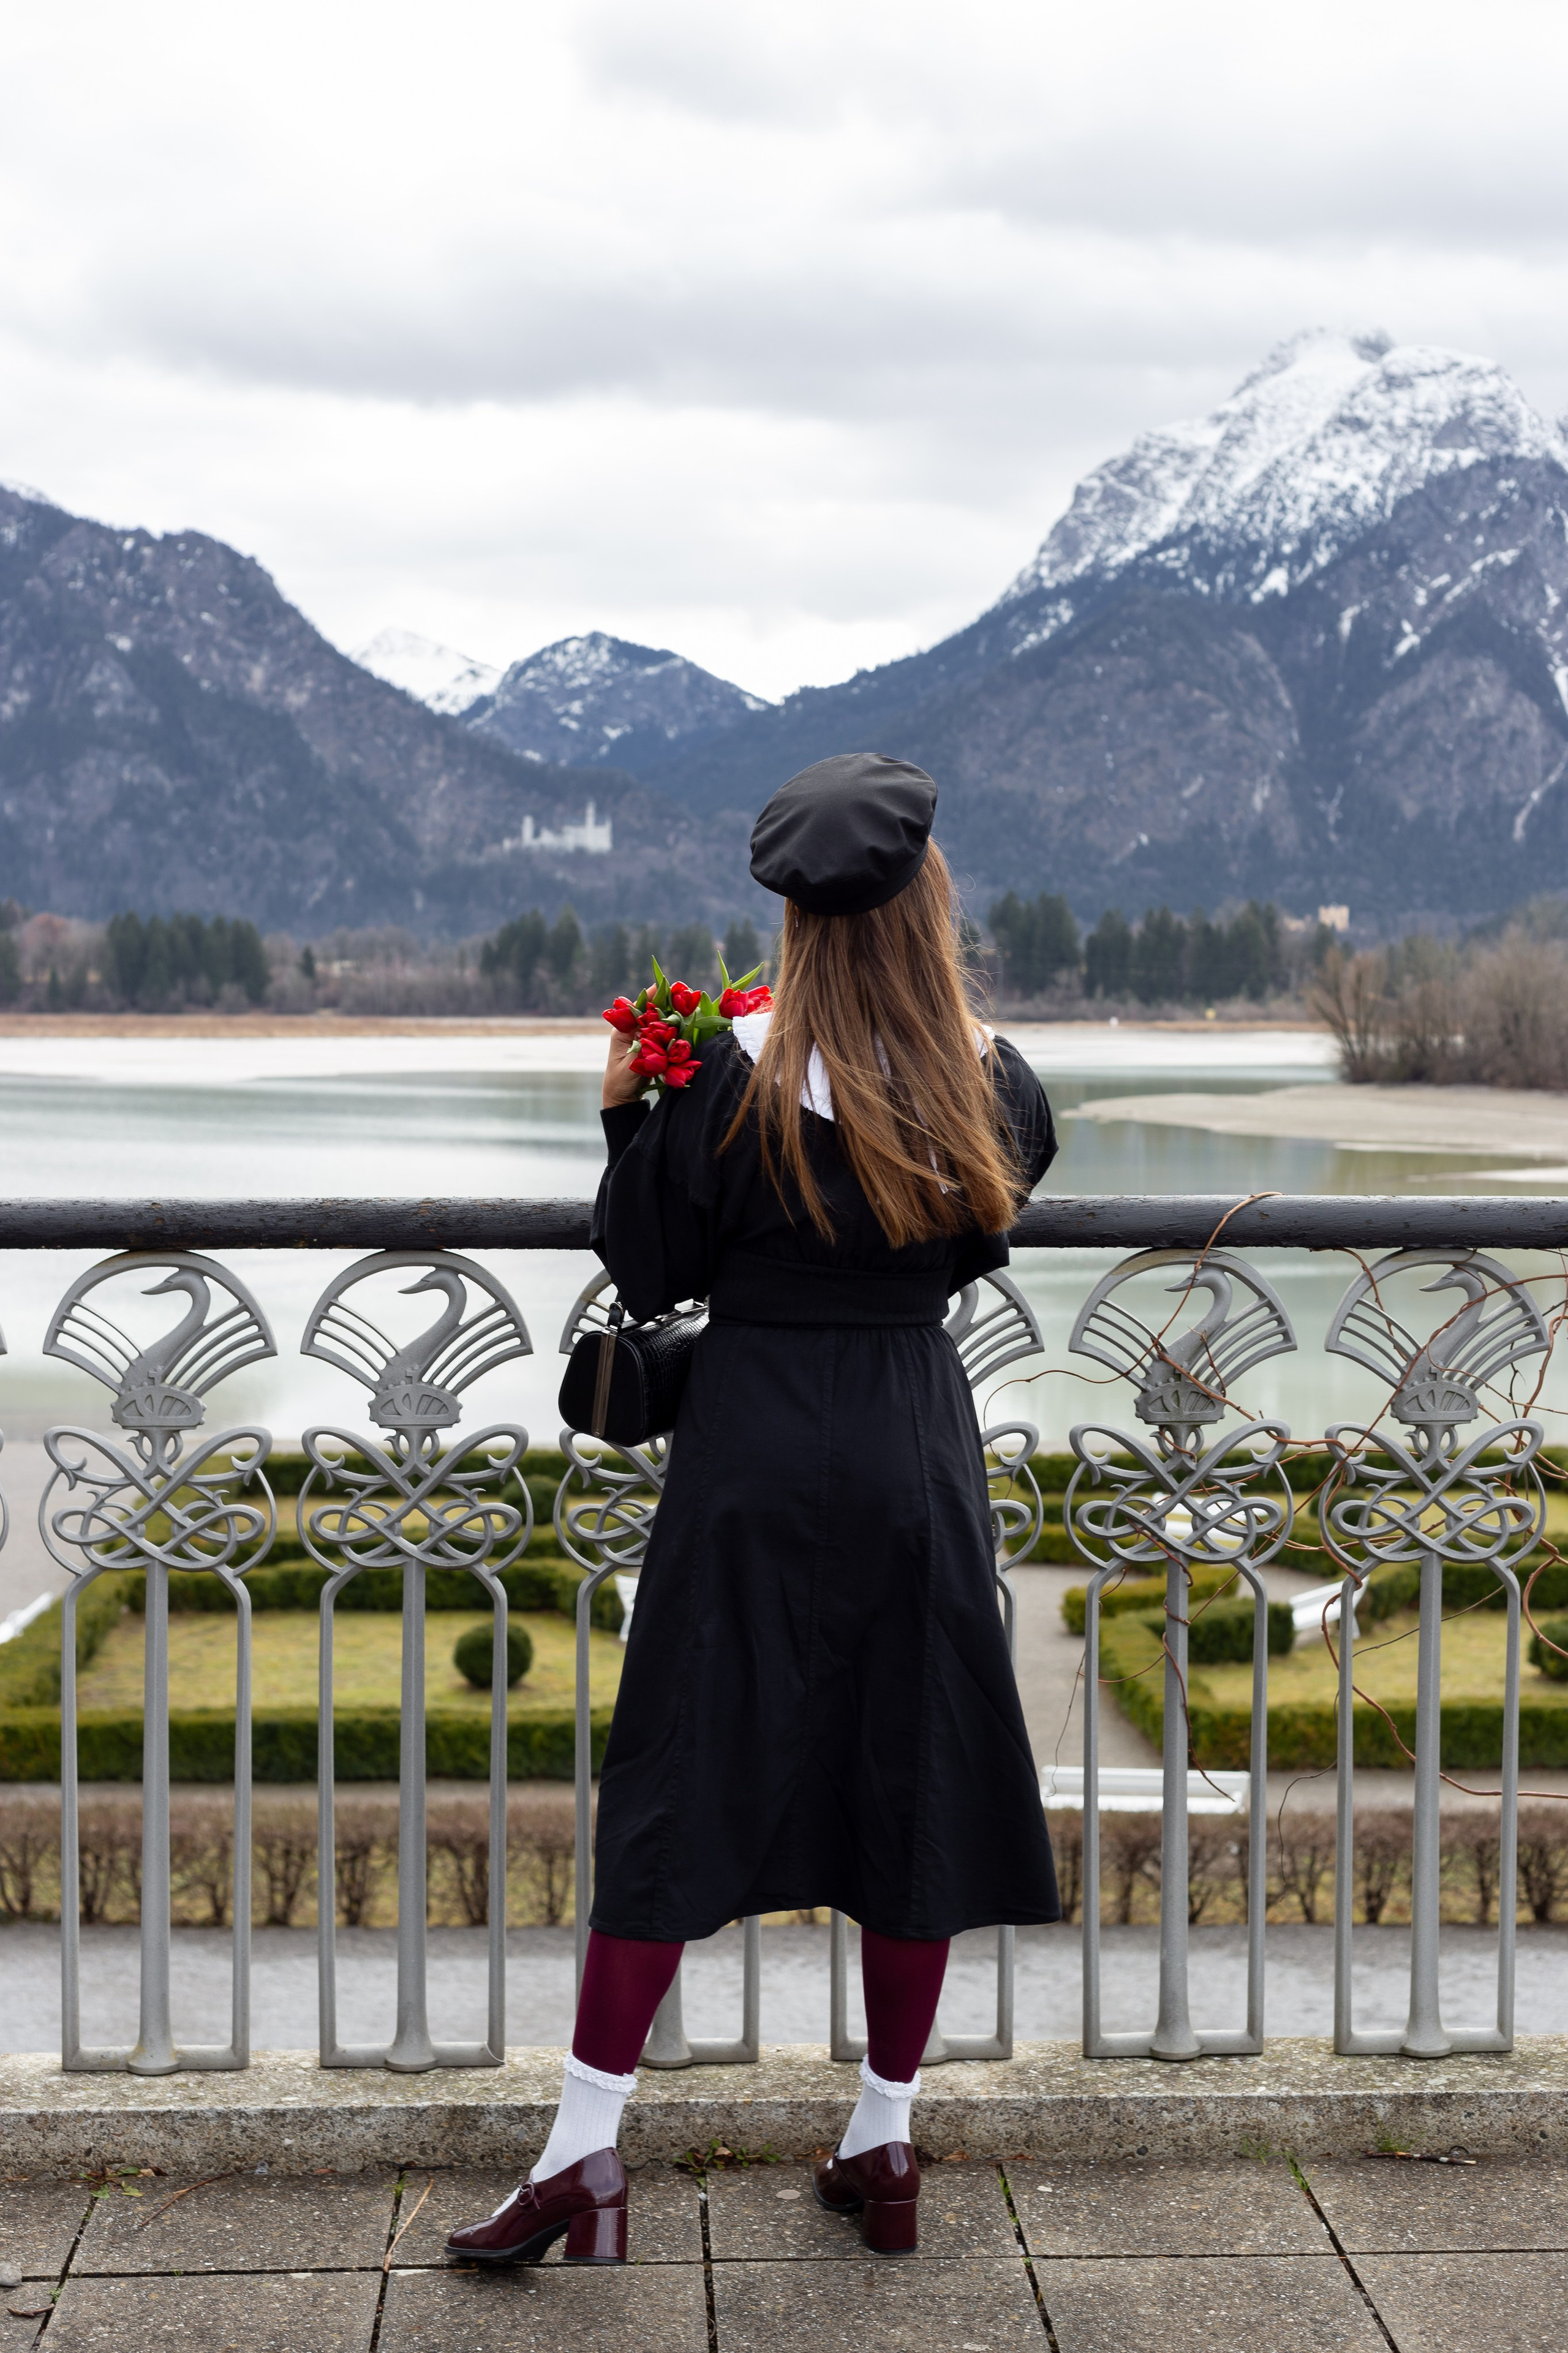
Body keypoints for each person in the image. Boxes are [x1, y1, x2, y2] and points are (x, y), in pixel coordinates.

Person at [447, 751, 1060, 2268]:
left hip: (750, 1456)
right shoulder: (991, 1078)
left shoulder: (722, 1073)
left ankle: (582, 2156)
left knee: (680, 1774)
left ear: (790, 916)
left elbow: (651, 1269)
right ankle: (883, 2141)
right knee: (910, 1775)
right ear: (926, 904)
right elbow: (978, 1238)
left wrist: (623, 1119)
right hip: (914, 1450)